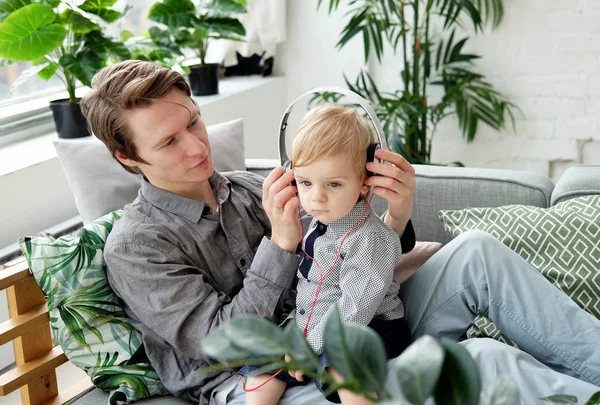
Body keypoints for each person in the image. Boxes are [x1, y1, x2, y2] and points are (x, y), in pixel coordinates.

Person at [81, 60, 600, 405]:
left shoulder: (251, 187)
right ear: (128, 158)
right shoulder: (136, 246)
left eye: (193, 123)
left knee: (478, 253)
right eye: (169, 142)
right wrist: (281, 246)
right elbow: (222, 344)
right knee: (487, 360)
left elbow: (354, 257)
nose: (196, 147)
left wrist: (394, 214)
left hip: (350, 325)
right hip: (268, 382)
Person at [240, 105, 412, 405]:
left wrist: (310, 343)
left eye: (333, 184)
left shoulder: (368, 237)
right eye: (305, 183)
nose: (316, 197)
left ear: (364, 181)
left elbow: (355, 308)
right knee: (263, 356)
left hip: (368, 326)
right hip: (314, 322)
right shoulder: (318, 223)